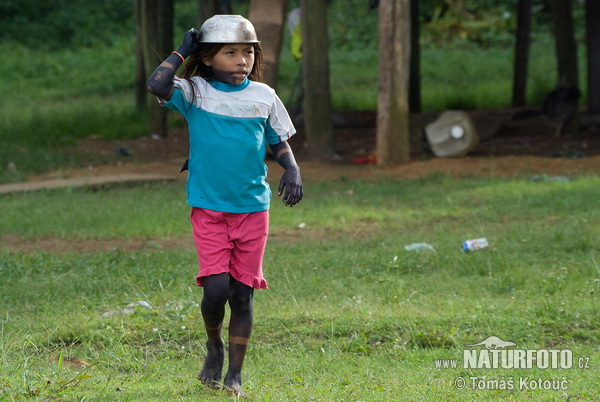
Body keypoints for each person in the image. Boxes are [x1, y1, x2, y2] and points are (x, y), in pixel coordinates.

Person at [146, 15, 303, 398]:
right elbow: (157, 84)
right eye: (230, 52)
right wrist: (183, 49)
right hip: (209, 207)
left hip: (252, 207)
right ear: (210, 58)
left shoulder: (264, 96)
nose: (242, 59)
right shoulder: (195, 92)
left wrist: (293, 169)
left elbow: (278, 142)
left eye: (248, 52)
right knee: (215, 290)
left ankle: (234, 373)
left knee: (242, 294)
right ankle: (213, 345)